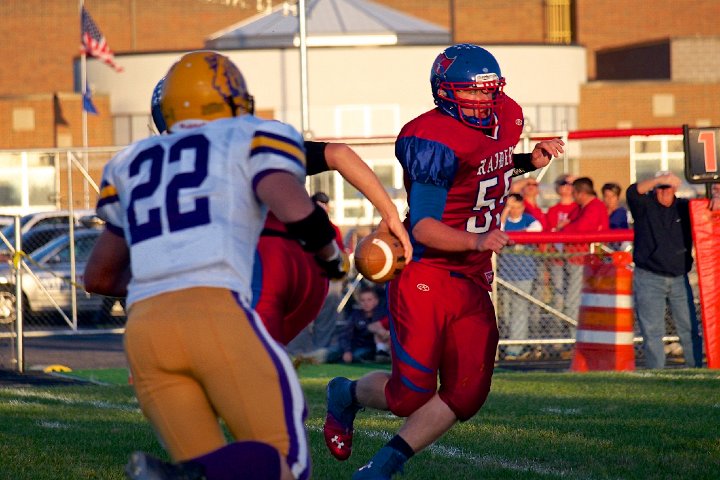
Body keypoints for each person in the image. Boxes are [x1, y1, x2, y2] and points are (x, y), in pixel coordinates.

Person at [84, 50, 348, 480]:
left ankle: (187, 474)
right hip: (214, 314)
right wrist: (332, 259)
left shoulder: (131, 162)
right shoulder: (249, 135)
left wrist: (161, 274)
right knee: (288, 464)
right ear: (231, 100)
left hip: (145, 333)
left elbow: (98, 277)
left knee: (222, 468)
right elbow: (299, 213)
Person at [321, 43, 564, 479]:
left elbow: (488, 169)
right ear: (445, 93)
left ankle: (380, 468)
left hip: (471, 278)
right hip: (427, 272)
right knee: (408, 396)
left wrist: (529, 161)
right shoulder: (432, 138)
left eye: (488, 90)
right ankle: (345, 393)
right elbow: (424, 227)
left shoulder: (507, 115)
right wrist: (477, 240)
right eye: (471, 91)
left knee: (467, 393)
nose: (482, 99)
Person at [150, 77, 412, 352]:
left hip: (269, 268)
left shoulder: (166, 167)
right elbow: (338, 154)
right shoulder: (255, 140)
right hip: (300, 270)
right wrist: (388, 214)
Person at [626, 171, 712, 369]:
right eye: (660, 187)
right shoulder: (644, 206)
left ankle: (695, 367)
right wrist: (659, 180)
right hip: (649, 276)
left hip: (679, 277)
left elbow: (706, 209)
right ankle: (657, 372)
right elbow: (632, 192)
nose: (664, 191)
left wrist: (715, 198)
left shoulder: (683, 207)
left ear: (675, 188)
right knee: (652, 330)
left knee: (688, 327)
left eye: (668, 187)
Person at [555, 176, 609, 340]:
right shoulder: (582, 208)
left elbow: (581, 228)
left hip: (584, 260)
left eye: (574, 193)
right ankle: (577, 337)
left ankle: (576, 339)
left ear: (581, 193)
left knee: (573, 302)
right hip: (577, 259)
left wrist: (564, 229)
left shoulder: (594, 207)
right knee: (574, 300)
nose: (573, 197)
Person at [498, 193, 543, 360]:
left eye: (517, 207)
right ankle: (508, 344)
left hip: (524, 274)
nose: (514, 210)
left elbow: (537, 228)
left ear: (523, 207)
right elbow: (499, 230)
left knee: (519, 310)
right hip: (505, 273)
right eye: (511, 207)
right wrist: (505, 211)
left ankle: (515, 348)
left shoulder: (528, 220)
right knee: (506, 312)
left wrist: (517, 234)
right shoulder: (503, 220)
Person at [326, 285, 390, 364]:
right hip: (354, 345)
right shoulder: (355, 315)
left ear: (376, 301)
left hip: (370, 347)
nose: (366, 303)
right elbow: (346, 335)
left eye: (369, 300)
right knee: (333, 352)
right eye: (363, 300)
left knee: (357, 355)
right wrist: (347, 350)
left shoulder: (383, 314)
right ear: (359, 302)